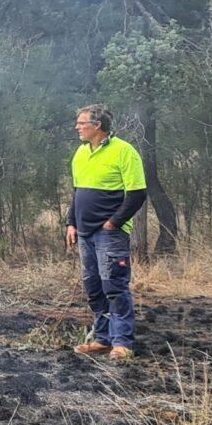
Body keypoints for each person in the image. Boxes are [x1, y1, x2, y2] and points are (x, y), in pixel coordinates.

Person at [66, 104, 148, 359]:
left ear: (97, 125)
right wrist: (71, 222)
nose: (77, 127)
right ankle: (102, 338)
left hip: (109, 233)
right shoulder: (80, 153)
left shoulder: (124, 151)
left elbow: (137, 194)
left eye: (82, 123)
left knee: (114, 284)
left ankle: (122, 342)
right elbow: (77, 192)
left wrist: (113, 223)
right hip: (85, 233)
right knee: (93, 286)